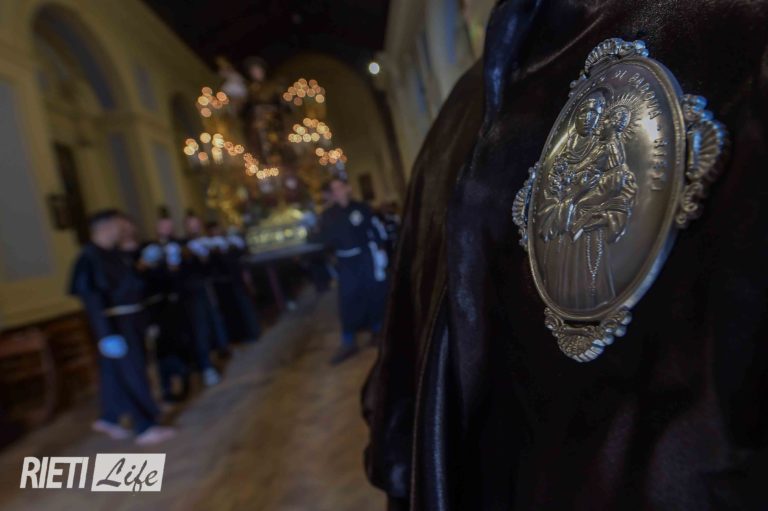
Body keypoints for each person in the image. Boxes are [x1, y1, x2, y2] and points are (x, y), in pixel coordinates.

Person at [69, 209, 175, 445]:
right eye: (119, 225)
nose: (124, 230)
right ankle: (145, 425)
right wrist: (105, 335)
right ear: (106, 227)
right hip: (116, 325)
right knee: (133, 373)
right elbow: (92, 300)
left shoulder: (114, 254)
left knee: (116, 375)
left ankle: (110, 417)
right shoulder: (89, 258)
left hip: (131, 320)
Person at [320, 177, 389, 365]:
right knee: (347, 299)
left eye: (340, 187)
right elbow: (324, 241)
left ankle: (378, 331)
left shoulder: (362, 208)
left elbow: (376, 230)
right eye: (333, 189)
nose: (337, 192)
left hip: (365, 258)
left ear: (348, 188)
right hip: (345, 262)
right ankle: (348, 341)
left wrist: (380, 253)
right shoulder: (328, 215)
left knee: (373, 294)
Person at [139, 215, 190, 402]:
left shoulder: (180, 246)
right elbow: (141, 275)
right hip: (156, 308)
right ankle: (167, 387)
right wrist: (146, 262)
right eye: (163, 226)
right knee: (161, 348)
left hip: (175, 303)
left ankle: (184, 379)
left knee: (181, 343)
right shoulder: (148, 248)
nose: (166, 230)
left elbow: (181, 274)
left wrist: (177, 263)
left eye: (169, 226)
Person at [179, 213, 228, 386]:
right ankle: (206, 366)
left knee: (216, 323)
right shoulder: (183, 247)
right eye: (190, 225)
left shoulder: (208, 242)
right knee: (201, 330)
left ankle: (219, 354)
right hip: (194, 294)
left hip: (209, 289)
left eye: (196, 224)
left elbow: (214, 265)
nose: (194, 228)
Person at [206, 221, 261, 343]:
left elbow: (239, 259)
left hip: (237, 280)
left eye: (216, 230)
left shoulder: (230, 243)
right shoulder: (215, 247)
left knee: (245, 306)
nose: (215, 233)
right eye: (213, 231)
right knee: (239, 309)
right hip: (229, 284)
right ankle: (247, 333)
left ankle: (253, 332)